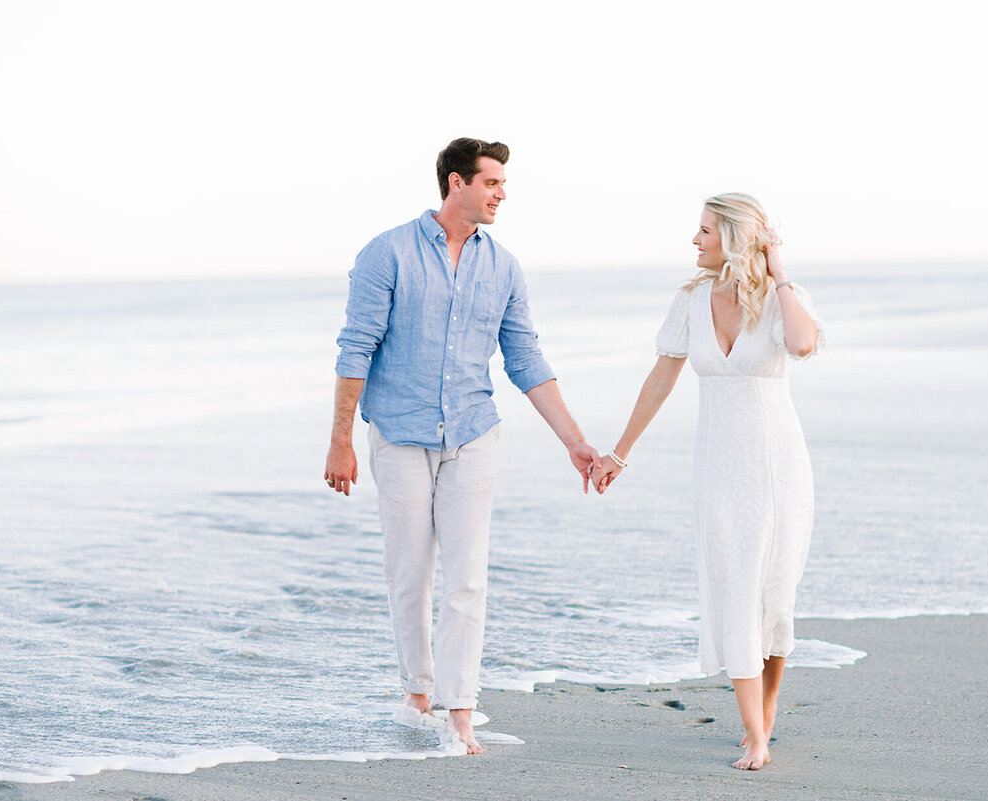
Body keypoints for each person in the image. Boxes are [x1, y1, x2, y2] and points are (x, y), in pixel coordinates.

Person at [323, 138, 601, 755]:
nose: (502, 194)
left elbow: (525, 359)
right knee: (410, 574)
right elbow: (355, 350)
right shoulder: (387, 253)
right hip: (397, 432)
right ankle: (417, 695)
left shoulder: (502, 266)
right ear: (457, 183)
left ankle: (459, 713)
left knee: (466, 578)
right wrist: (340, 441)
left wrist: (575, 443)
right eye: (492, 182)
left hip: (472, 432)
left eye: (503, 184)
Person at [590, 193, 825, 771]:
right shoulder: (691, 300)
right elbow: (659, 380)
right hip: (719, 467)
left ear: (736, 239)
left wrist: (780, 271)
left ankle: (764, 718)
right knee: (733, 588)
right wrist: (619, 453)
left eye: (704, 232)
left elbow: (802, 344)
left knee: (775, 595)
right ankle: (754, 733)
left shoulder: (779, 298)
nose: (694, 242)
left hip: (778, 467)